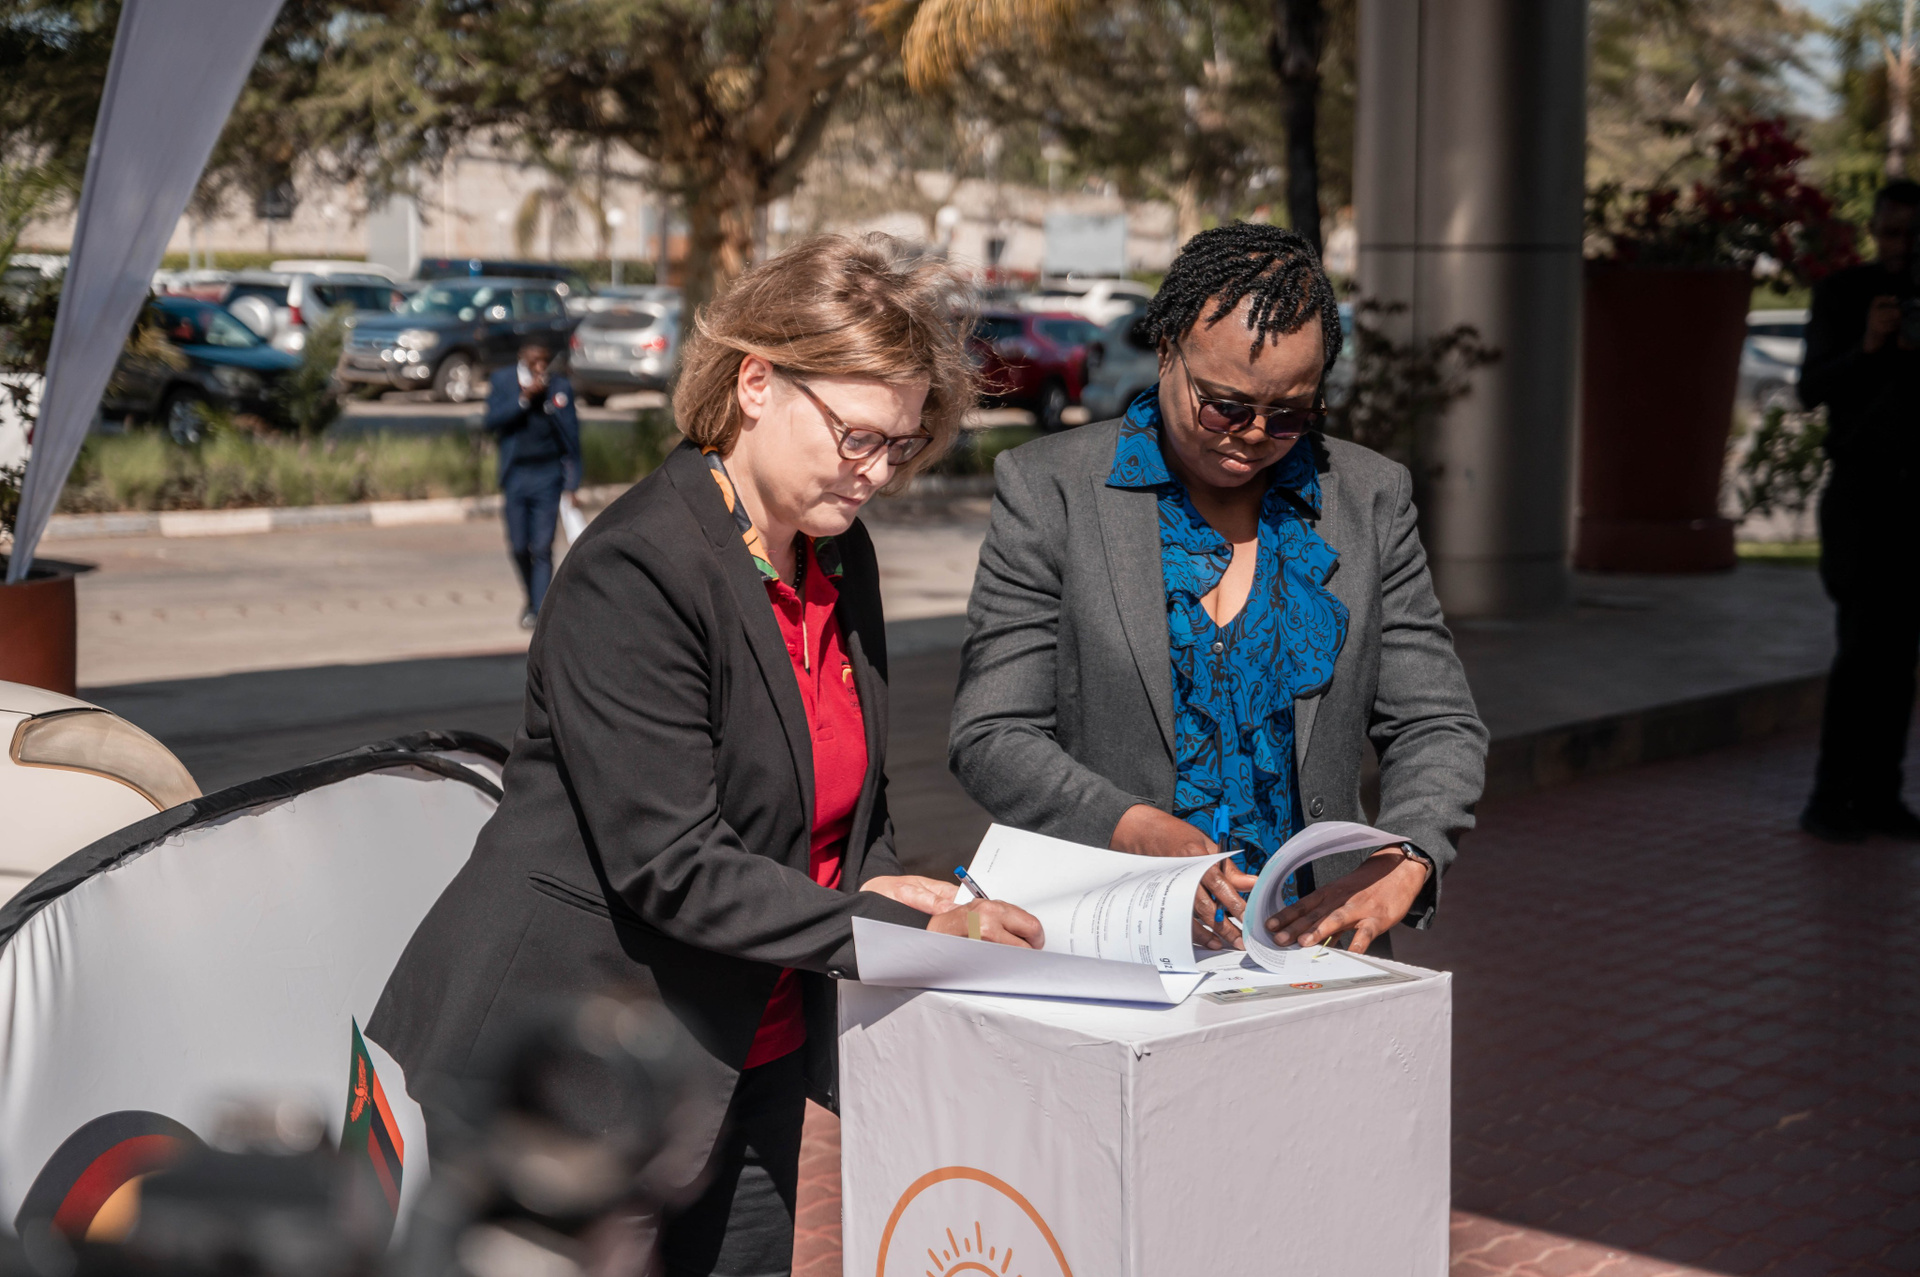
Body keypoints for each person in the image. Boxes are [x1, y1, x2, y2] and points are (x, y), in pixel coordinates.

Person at [369, 236, 1042, 1277]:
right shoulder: (639, 568)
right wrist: (911, 933)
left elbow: (852, 798)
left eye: (902, 444)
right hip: (571, 1063)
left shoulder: (838, 550)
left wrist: (879, 880)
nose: (877, 471)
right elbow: (672, 862)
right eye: (857, 435)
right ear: (757, 383)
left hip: (750, 1049)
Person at [950, 222, 1487, 957]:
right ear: (1167, 350)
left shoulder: (1368, 498)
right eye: (1225, 405)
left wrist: (1407, 855)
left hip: (1315, 948)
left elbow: (1436, 721)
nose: (1253, 434)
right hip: (1111, 937)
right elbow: (991, 732)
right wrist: (1132, 826)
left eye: (1289, 414)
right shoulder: (1052, 490)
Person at [1795, 180, 1920, 843]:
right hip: (1861, 498)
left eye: (1914, 235)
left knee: (1900, 660)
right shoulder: (1843, 294)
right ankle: (1828, 796)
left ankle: (1881, 794)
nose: (1902, 248)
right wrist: (1867, 347)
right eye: (1892, 232)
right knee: (1861, 652)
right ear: (1874, 231)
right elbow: (1811, 388)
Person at [486, 342, 582, 628]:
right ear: (522, 359)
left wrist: (573, 483)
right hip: (516, 475)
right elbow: (491, 421)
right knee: (518, 546)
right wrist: (524, 399)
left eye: (544, 361)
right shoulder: (503, 381)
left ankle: (539, 610)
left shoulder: (559, 387)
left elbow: (573, 437)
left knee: (541, 546)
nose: (540, 366)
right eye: (534, 361)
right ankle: (532, 598)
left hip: (548, 476)